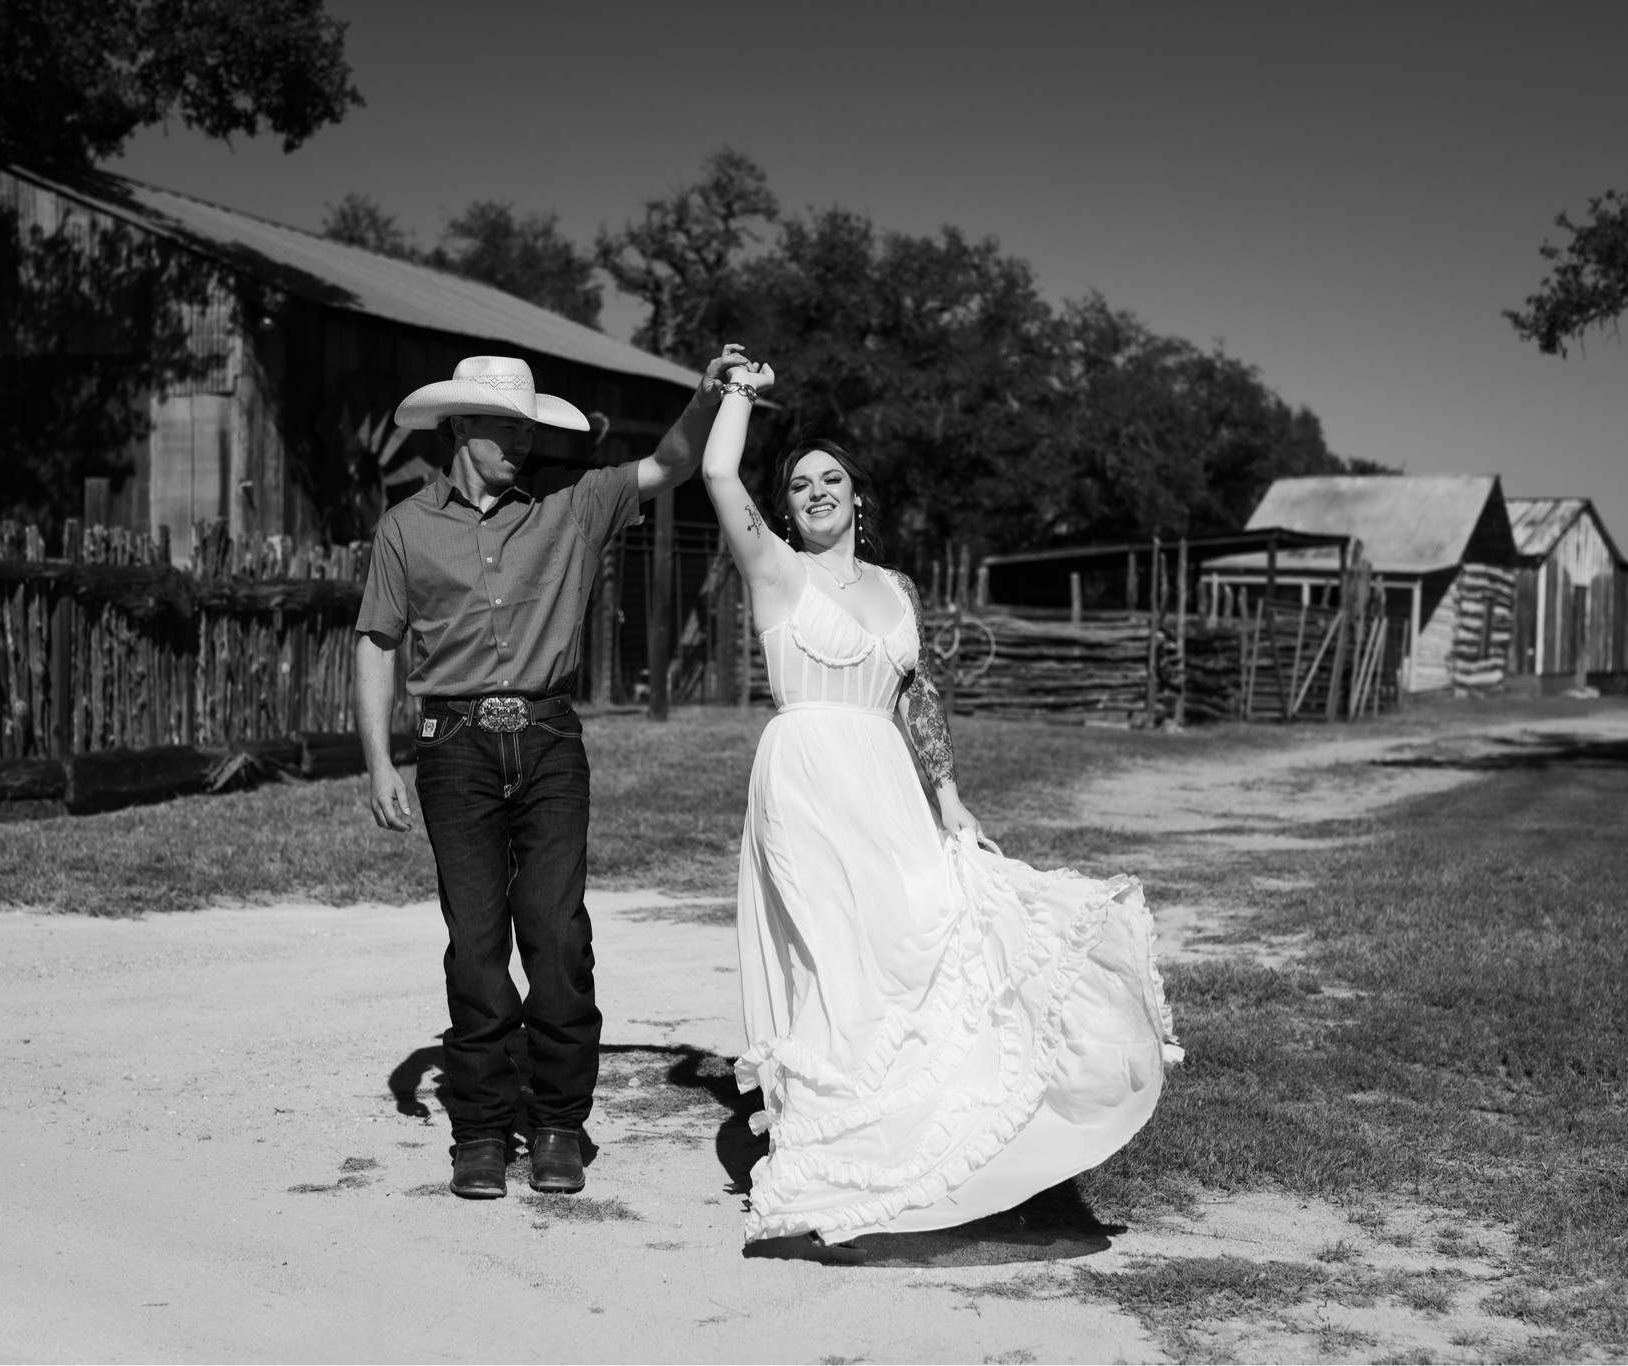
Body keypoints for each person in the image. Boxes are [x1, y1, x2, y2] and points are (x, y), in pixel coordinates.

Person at [700, 361, 1182, 1263]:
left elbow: (917, 696)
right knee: (833, 960)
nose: (816, 492)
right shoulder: (774, 569)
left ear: (857, 496)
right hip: (806, 775)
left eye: (831, 479)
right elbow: (719, 472)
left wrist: (949, 797)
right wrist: (736, 394)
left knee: (917, 939)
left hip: (888, 779)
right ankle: (835, 1155)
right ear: (786, 507)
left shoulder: (897, 589)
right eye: (799, 484)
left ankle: (921, 1132)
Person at [354, 348, 749, 1201]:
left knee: (558, 934)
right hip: (452, 747)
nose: (522, 442)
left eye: (528, 428)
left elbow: (670, 463)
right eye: (505, 427)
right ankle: (481, 1131)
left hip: (548, 741)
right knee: (477, 943)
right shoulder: (405, 527)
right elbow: (378, 641)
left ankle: (560, 1123)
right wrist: (379, 761)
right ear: (461, 426)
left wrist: (705, 397)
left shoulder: (576, 502)